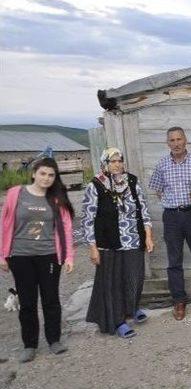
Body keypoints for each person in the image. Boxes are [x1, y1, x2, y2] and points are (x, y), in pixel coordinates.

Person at [0, 158, 75, 363]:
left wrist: (68, 256)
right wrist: (2, 254)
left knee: (51, 299)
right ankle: (30, 345)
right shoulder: (16, 193)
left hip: (49, 255)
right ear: (34, 173)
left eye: (51, 175)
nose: (47, 178)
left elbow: (67, 228)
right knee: (27, 302)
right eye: (43, 173)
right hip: (20, 255)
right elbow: (5, 223)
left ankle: (54, 340)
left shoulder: (57, 198)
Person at [83, 147, 154, 338]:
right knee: (113, 283)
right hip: (109, 241)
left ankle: (131, 308)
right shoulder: (96, 185)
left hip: (133, 238)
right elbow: (88, 219)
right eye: (112, 161)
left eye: (119, 160)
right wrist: (92, 248)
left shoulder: (131, 181)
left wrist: (147, 235)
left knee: (134, 277)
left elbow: (144, 209)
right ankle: (118, 321)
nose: (117, 164)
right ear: (104, 164)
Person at [149, 126, 191, 321]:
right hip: (172, 217)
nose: (176, 143)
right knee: (174, 261)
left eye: (179, 139)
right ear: (168, 143)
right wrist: (172, 203)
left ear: (185, 141)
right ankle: (179, 301)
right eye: (172, 140)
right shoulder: (162, 164)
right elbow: (157, 189)